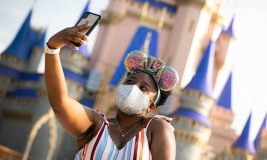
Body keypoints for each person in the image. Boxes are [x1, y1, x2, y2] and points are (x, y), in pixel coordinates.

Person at [44, 24, 179, 160]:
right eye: (130, 82)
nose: (133, 88)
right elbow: (60, 103)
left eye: (143, 88)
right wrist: (52, 48)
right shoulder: (96, 125)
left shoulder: (156, 129)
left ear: (151, 106)